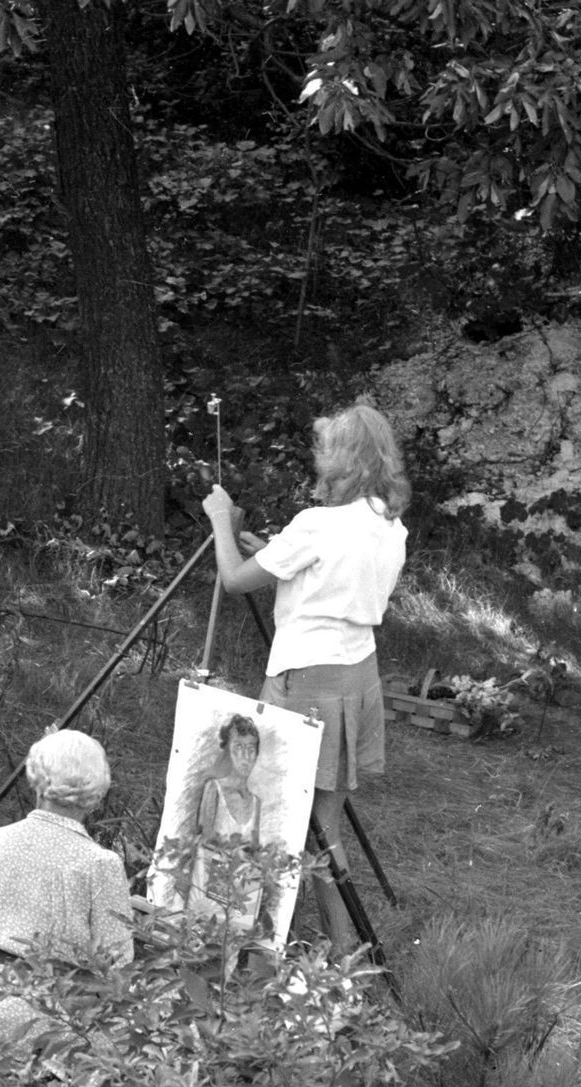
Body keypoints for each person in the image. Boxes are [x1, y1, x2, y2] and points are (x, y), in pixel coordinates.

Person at [202, 403, 409, 955]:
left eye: (327, 450)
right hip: (358, 674)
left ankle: (272, 940)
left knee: (282, 814)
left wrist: (221, 519)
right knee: (325, 822)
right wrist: (274, 555)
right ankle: (341, 950)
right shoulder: (390, 525)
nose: (321, 459)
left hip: (307, 679)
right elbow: (329, 581)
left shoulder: (317, 524)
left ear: (344, 458)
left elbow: (234, 580)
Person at [0, 729, 134, 1052]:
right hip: (43, 1028)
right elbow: (116, 976)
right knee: (134, 1045)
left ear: (35, 777)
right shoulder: (101, 864)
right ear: (97, 792)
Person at [163, 715, 275, 942]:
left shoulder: (256, 802)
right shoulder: (214, 788)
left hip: (237, 895)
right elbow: (204, 838)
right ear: (227, 751)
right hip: (206, 888)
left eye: (251, 749)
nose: (245, 757)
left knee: (229, 945)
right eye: (238, 748)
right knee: (197, 943)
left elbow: (254, 852)